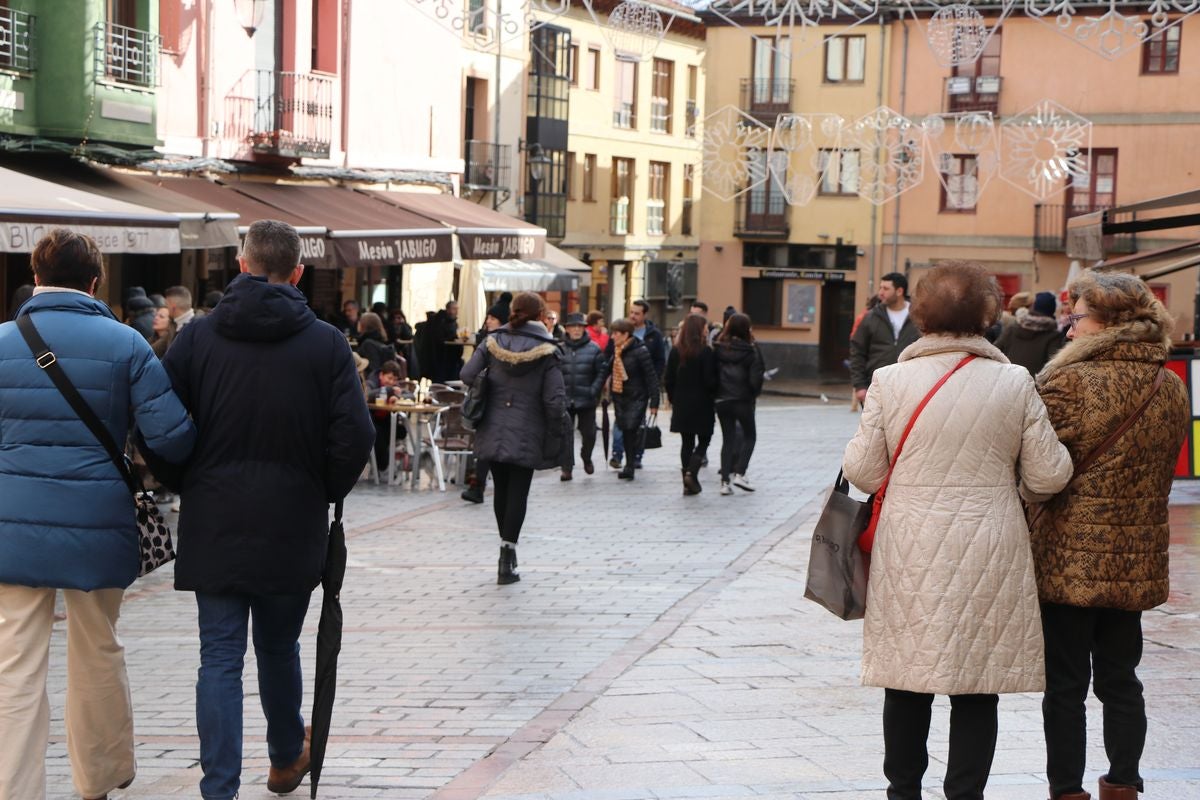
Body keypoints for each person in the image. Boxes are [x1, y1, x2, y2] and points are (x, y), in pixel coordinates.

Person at [842, 261, 1072, 800]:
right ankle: (965, 793)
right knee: (977, 683)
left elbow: (864, 470)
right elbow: (1049, 474)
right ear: (988, 317)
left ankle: (903, 791)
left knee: (906, 677)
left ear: (920, 316)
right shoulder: (1013, 381)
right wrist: (1011, 490)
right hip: (990, 544)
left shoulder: (890, 381)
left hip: (909, 545)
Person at [160, 219, 374, 800]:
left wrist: (187, 480)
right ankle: (284, 758)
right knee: (279, 646)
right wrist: (319, 487)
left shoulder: (197, 338)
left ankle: (220, 787)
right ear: (298, 273)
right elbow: (355, 436)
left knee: (220, 656)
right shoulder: (326, 342)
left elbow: (161, 424)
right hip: (292, 520)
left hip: (215, 517)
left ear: (241, 263)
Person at [0, 228, 196, 800]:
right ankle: (99, 779)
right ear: (95, 281)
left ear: (36, 276)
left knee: (14, 663)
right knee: (97, 649)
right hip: (99, 522)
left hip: (12, 527)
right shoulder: (126, 344)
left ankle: (14, 788)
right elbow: (173, 437)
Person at [1031, 271, 1189, 800]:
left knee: (1066, 687)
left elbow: (1037, 467)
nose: (1070, 331)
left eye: (1078, 319)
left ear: (1109, 324)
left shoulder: (1066, 383)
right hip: (1135, 557)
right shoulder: (1170, 385)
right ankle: (1123, 783)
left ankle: (1067, 789)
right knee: (1122, 679)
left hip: (1068, 559)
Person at [459, 292, 566, 584]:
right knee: (519, 492)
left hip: (492, 425)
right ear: (540, 315)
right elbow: (555, 400)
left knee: (501, 490)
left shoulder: (492, 341)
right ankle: (508, 557)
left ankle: (505, 549)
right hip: (528, 429)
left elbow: (467, 374)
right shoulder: (547, 349)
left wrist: (490, 380)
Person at [607, 300, 666, 469]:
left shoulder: (653, 335)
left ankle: (635, 457)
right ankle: (618, 455)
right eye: (631, 312)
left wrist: (653, 386)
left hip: (640, 388)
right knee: (621, 422)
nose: (633, 315)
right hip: (620, 387)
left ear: (644, 315)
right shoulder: (620, 332)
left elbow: (658, 361)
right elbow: (608, 359)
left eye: (637, 313)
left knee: (635, 423)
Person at [664, 313, 718, 495]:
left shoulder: (675, 350)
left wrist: (673, 398)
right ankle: (691, 473)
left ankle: (686, 481)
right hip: (702, 403)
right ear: (698, 329)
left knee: (686, 442)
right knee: (704, 439)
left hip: (682, 403)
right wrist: (714, 393)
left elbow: (668, 379)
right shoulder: (706, 352)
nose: (707, 330)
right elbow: (710, 380)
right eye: (705, 327)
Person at [849, 272, 921, 406]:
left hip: (910, 388)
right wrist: (859, 386)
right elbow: (857, 351)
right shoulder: (871, 317)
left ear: (899, 291)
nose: (880, 293)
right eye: (880, 288)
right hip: (877, 387)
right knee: (875, 427)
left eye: (886, 289)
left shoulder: (918, 317)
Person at [461, 302, 509, 504]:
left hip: (492, 401)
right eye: (488, 317)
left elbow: (468, 374)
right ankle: (478, 485)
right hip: (496, 402)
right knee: (487, 446)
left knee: (487, 445)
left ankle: (479, 485)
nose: (488, 321)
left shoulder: (492, 342)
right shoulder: (488, 339)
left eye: (493, 318)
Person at [713, 313, 765, 495]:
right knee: (750, 436)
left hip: (722, 400)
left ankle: (724, 482)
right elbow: (755, 378)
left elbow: (712, 375)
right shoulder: (750, 350)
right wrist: (753, 395)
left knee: (727, 440)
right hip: (742, 400)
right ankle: (740, 473)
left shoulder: (718, 349)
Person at [559, 312, 606, 480]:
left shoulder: (593, 348)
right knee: (565, 434)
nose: (577, 330)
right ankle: (567, 467)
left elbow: (601, 372)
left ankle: (586, 456)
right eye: (573, 326)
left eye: (580, 326)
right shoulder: (560, 349)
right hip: (565, 398)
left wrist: (593, 390)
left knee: (589, 433)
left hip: (586, 398)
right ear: (567, 329)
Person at [994, 290, 1065, 376]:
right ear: (1052, 310)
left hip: (1007, 380)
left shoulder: (1013, 328)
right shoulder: (1054, 336)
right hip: (1033, 386)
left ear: (1033, 307)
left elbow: (994, 352)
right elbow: (1053, 367)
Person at [366, 360, 409, 477]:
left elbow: (409, 394)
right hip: (371, 420)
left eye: (394, 380)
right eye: (389, 378)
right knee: (379, 435)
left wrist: (398, 396)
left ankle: (383, 467)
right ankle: (382, 467)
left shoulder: (394, 386)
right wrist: (388, 390)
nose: (391, 382)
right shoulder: (372, 382)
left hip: (386, 420)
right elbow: (367, 395)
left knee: (402, 431)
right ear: (381, 375)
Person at [355, 311, 397, 382]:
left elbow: (373, 370)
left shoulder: (368, 344)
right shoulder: (379, 341)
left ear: (363, 324)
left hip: (371, 385)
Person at [432, 300, 464, 381]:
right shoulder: (440, 322)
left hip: (453, 358)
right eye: (454, 309)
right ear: (448, 310)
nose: (456, 311)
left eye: (457, 309)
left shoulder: (453, 323)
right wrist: (455, 336)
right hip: (443, 358)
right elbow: (440, 339)